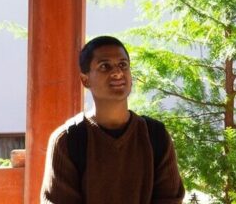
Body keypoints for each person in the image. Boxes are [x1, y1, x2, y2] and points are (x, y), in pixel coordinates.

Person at [40, 35, 185, 204]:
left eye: (123, 65)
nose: (117, 73)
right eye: (105, 66)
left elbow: (169, 199)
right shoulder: (68, 139)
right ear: (85, 80)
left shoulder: (155, 135)